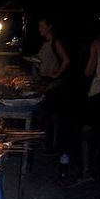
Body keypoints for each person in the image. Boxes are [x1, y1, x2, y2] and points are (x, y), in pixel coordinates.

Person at [81, 11, 100, 189]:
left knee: (86, 132)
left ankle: (86, 171)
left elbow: (88, 71)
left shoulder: (98, 42)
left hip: (99, 92)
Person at [35, 17, 71, 163]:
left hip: (54, 85)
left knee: (52, 117)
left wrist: (57, 73)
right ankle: (48, 144)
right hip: (45, 82)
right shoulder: (45, 43)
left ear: (49, 26)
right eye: (39, 26)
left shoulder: (56, 42)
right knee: (46, 116)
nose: (40, 29)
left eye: (42, 25)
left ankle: (53, 147)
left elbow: (66, 60)